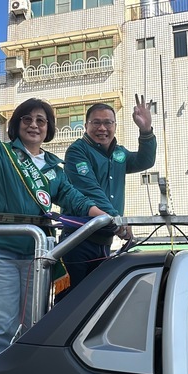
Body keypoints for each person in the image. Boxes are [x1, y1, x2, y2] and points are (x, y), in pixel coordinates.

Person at [0, 36, 106, 356]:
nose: (34, 125)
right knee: (0, 323)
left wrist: (101, 216)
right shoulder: (0, 154)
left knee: (35, 320)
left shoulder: (54, 166)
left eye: (41, 120)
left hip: (41, 251)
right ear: (17, 125)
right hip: (4, 250)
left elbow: (72, 197)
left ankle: (26, 373)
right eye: (27, 119)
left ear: (48, 128)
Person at [57, 99, 156, 297]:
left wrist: (146, 131)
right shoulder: (78, 151)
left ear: (115, 126)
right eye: (96, 122)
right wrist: (116, 220)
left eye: (108, 123)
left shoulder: (119, 153)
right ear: (86, 126)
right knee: (71, 304)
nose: (102, 128)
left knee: (96, 302)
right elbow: (90, 190)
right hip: (78, 239)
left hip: (105, 240)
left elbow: (145, 161)